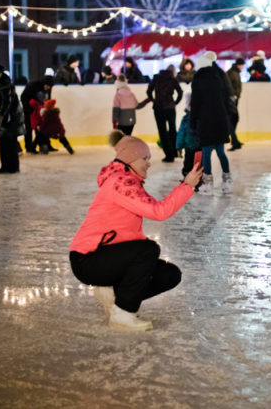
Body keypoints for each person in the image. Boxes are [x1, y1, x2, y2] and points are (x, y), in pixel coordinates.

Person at [68, 131, 202, 331]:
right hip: (88, 259)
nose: (149, 163)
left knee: (169, 274)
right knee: (147, 249)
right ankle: (123, 314)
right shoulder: (121, 183)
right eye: (145, 158)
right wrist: (186, 187)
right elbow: (159, 212)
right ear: (130, 159)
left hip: (106, 255)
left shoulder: (126, 179)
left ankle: (113, 294)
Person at [191, 52, 233, 195]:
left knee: (207, 152)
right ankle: (227, 180)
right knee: (221, 152)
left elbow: (195, 102)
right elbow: (227, 96)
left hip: (206, 120)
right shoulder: (219, 76)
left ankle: (208, 183)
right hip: (220, 119)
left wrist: (192, 122)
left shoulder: (198, 78)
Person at [146, 65, 183, 162]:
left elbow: (149, 91)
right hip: (170, 108)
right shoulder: (172, 79)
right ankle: (175, 152)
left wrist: (153, 100)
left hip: (158, 108)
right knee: (172, 129)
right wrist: (175, 103)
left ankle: (169, 155)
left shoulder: (157, 78)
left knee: (162, 131)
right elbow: (180, 92)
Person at [20, 75, 54, 153]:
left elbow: (46, 99)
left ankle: (45, 145)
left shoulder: (47, 88)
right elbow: (23, 97)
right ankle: (29, 148)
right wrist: (29, 109)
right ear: (44, 83)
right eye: (47, 86)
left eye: (50, 86)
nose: (48, 88)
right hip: (29, 110)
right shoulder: (32, 85)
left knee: (42, 128)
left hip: (40, 110)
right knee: (29, 129)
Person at [226, 58, 244, 151]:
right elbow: (229, 85)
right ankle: (234, 140)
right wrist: (233, 95)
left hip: (234, 98)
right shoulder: (232, 73)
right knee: (232, 119)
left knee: (234, 119)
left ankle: (234, 139)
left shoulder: (235, 72)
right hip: (231, 99)